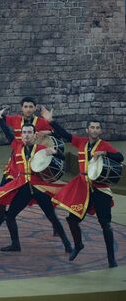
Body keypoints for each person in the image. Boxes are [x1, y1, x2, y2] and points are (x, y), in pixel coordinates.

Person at [0, 99, 71, 254]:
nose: (26, 135)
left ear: (34, 135)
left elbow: (63, 159)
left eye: (29, 133)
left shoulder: (41, 148)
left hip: (39, 187)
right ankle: (15, 244)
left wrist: (55, 152)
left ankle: (67, 244)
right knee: (10, 216)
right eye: (24, 133)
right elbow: (6, 131)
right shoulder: (16, 145)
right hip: (23, 188)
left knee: (52, 216)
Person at [43, 107, 123, 268]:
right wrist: (51, 121)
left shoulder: (104, 145)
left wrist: (104, 154)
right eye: (92, 127)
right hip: (82, 187)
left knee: (105, 224)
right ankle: (78, 245)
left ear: (100, 131)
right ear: (87, 129)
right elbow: (65, 135)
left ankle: (111, 258)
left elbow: (120, 157)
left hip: (100, 189)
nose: (94, 130)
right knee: (72, 219)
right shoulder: (81, 142)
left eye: (97, 128)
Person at [0, 87, 54, 232]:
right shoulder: (15, 120)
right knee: (3, 190)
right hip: (15, 162)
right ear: (22, 108)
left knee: (44, 195)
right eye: (25, 106)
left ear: (34, 108)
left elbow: (56, 134)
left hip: (36, 163)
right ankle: (1, 216)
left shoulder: (41, 122)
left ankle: (55, 225)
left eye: (31, 107)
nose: (28, 109)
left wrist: (46, 131)